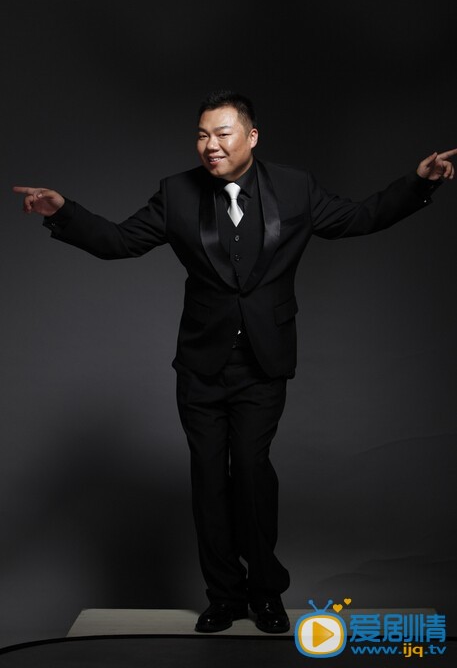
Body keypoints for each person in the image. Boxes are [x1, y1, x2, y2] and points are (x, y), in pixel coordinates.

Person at [13, 90, 456, 635]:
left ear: (251, 136)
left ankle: (265, 593)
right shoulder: (177, 192)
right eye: (202, 135)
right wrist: (63, 212)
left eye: (222, 134)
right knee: (208, 480)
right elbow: (121, 241)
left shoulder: (295, 187)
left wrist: (419, 183)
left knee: (250, 472)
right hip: (201, 367)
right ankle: (223, 596)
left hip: (263, 364)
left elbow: (361, 217)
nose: (211, 145)